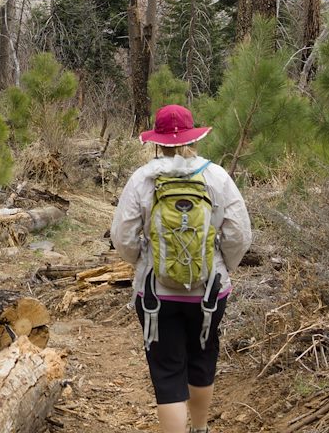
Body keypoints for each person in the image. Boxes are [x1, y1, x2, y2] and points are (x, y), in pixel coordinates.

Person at [110, 104, 252, 433]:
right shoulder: (216, 176)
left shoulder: (142, 178)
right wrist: (220, 268)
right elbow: (240, 234)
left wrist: (145, 265)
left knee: (168, 372)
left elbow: (123, 236)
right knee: (202, 359)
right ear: (193, 137)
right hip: (210, 292)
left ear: (157, 141)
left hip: (156, 296)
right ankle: (200, 428)